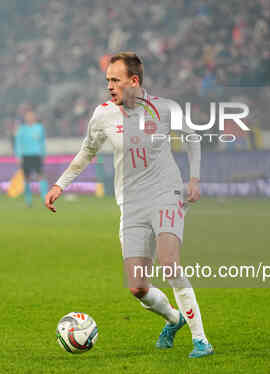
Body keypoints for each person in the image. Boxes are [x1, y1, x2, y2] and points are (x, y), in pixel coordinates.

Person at [44, 52, 213, 358]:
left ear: (134, 81)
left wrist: (195, 180)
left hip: (167, 195)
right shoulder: (103, 114)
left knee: (169, 262)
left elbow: (192, 138)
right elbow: (86, 152)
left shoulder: (164, 109)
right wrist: (60, 184)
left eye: (115, 80)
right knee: (137, 286)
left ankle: (201, 339)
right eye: (108, 80)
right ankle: (174, 320)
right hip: (131, 205)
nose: (109, 86)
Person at [15, 110, 48, 207]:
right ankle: (28, 201)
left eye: (32, 116)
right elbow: (18, 143)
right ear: (25, 118)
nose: (30, 118)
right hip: (26, 155)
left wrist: (43, 154)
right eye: (28, 116)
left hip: (36, 155)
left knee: (41, 176)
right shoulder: (21, 129)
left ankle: (45, 198)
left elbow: (42, 142)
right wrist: (18, 156)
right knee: (26, 179)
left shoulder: (39, 128)